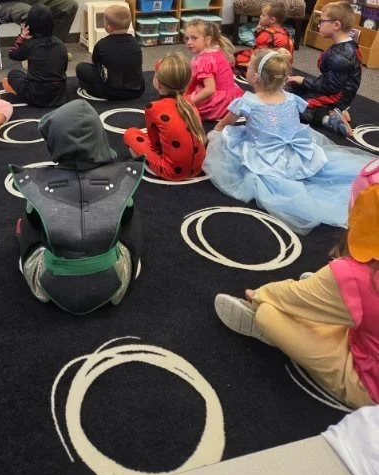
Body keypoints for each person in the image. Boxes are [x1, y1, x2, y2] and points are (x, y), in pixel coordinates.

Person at [214, 158, 379, 409]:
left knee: (268, 313)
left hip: (369, 387)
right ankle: (329, 300)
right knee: (340, 304)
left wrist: (259, 294)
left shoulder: (356, 274)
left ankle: (272, 324)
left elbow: (288, 296)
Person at [204, 49, 369, 234]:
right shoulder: (291, 98)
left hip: (266, 155)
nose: (245, 69)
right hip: (297, 151)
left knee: (227, 141)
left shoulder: (247, 102)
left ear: (256, 77)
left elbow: (222, 125)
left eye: (248, 67)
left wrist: (213, 136)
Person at [12, 99, 143, 315]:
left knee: (29, 220)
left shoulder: (40, 186)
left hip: (47, 287)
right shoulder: (119, 182)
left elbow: (35, 222)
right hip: (115, 283)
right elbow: (126, 218)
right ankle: (132, 260)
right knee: (131, 213)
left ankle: (26, 251)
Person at [123, 53, 206, 181]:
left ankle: (148, 164)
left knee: (130, 134)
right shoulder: (190, 105)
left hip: (172, 172)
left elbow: (156, 146)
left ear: (157, 82)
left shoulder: (154, 108)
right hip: (198, 168)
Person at [287, 1, 361, 137]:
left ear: (336, 25)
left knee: (293, 106)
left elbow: (330, 87)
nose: (318, 24)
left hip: (336, 95)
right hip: (337, 89)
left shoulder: (340, 55)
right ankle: (338, 109)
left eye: (321, 21)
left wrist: (303, 80)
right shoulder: (347, 45)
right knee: (292, 86)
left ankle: (329, 118)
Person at [2, 4, 68, 107]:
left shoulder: (30, 44)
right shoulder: (61, 44)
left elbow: (12, 54)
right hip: (59, 96)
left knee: (13, 74)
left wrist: (22, 37)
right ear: (52, 22)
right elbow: (63, 69)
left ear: (29, 25)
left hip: (36, 96)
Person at [75, 4, 144, 101]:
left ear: (109, 28)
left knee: (81, 68)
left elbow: (95, 62)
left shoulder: (101, 44)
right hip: (136, 91)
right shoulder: (135, 43)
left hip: (110, 92)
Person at [184, 19, 243, 120]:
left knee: (182, 104)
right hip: (232, 97)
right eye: (187, 38)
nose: (189, 42)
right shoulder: (215, 50)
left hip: (219, 103)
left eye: (194, 38)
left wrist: (189, 103)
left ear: (207, 39)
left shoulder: (205, 59)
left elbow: (210, 89)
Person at [234, 0, 293, 76]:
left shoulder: (267, 34)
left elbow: (257, 53)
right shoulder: (285, 31)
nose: (260, 16)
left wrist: (259, 34)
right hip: (284, 67)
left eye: (263, 15)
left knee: (238, 57)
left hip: (270, 68)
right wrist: (258, 32)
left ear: (272, 20)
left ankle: (255, 75)